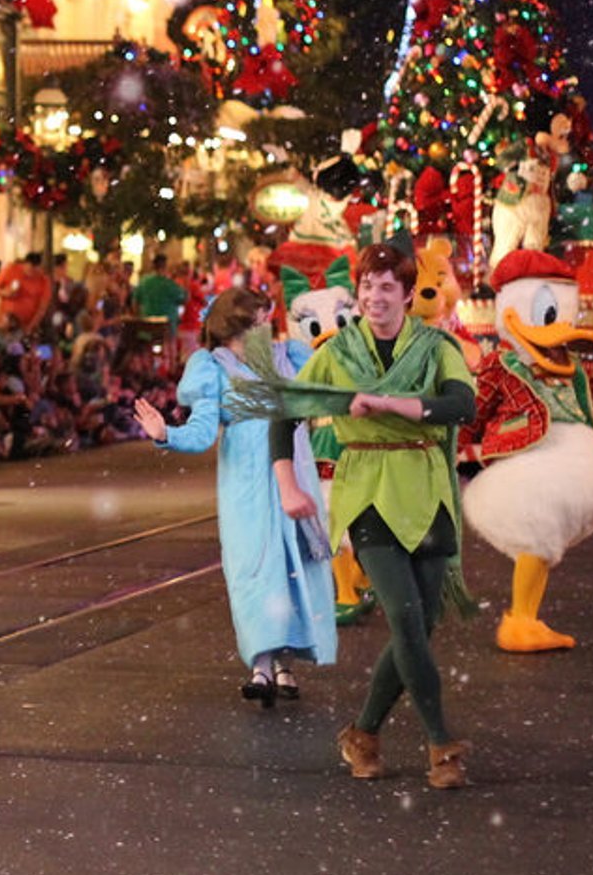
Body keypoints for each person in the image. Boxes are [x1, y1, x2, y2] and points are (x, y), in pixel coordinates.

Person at [260, 242, 478, 790]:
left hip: (428, 490)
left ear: (408, 294)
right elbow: (286, 413)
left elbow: (461, 404)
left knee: (421, 627)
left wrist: (390, 404)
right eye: (367, 286)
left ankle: (363, 732)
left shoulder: (434, 346)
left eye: (386, 287)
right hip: (369, 493)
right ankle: (440, 744)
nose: (375, 296)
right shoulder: (337, 354)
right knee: (404, 619)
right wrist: (287, 483)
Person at [134, 287, 335, 707]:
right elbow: (203, 432)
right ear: (236, 327)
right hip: (247, 488)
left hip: (293, 478)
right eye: (260, 320)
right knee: (255, 571)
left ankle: (284, 662)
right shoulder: (214, 369)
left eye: (267, 319)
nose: (269, 326)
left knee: (294, 568)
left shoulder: (289, 358)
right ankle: (261, 664)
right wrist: (166, 435)